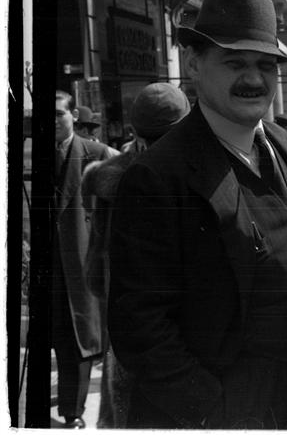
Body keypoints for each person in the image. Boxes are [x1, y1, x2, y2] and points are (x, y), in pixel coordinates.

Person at [108, 0, 287, 429]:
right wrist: (213, 414)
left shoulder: (283, 142)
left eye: (265, 65)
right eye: (234, 63)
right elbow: (140, 326)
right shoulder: (157, 175)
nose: (254, 80)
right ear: (194, 64)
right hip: (231, 409)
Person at [82, 83, 191, 428]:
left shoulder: (108, 179)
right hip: (190, 327)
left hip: (126, 318)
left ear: (136, 130)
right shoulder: (196, 173)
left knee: (126, 405)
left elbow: (94, 272)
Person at [52, 90, 116, 428]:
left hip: (82, 264)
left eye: (58, 114)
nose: (53, 122)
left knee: (81, 340)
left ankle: (73, 412)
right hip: (51, 268)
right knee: (63, 340)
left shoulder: (97, 153)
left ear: (73, 115)